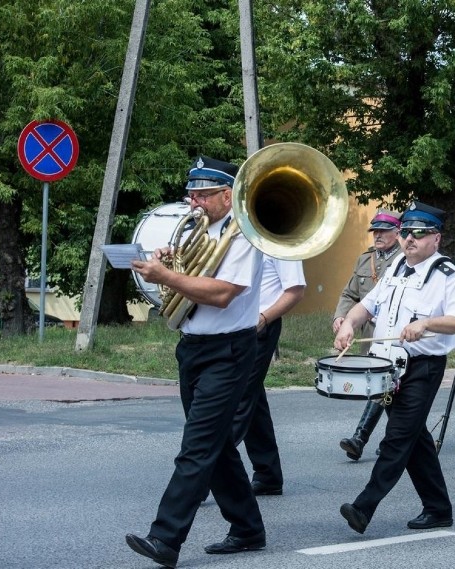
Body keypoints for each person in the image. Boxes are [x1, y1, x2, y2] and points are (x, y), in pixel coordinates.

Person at [127, 156, 266, 567]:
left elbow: (222, 293)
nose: (195, 202)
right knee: (217, 445)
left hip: (229, 350)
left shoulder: (245, 236)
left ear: (228, 194)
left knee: (197, 447)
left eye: (203, 194)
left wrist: (166, 276)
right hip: (193, 347)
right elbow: (190, 283)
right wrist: (173, 262)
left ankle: (165, 538)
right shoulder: (203, 231)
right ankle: (247, 529)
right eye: (192, 194)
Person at [336, 202, 455, 534]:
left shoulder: (445, 273)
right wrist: (349, 325)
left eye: (419, 234)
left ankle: (363, 507)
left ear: (436, 239)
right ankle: (438, 508)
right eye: (406, 232)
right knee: (414, 438)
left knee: (396, 439)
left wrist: (426, 323)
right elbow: (367, 305)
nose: (409, 239)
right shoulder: (396, 265)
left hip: (421, 369)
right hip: (387, 369)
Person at [333, 210, 402, 461]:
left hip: (394, 337)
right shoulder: (365, 260)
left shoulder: (406, 260)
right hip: (369, 336)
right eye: (375, 231)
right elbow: (350, 294)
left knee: (384, 386)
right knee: (389, 391)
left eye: (384, 230)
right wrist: (341, 318)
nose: (378, 235)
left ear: (398, 232)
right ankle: (402, 438)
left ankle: (359, 437)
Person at [235, 255, 305, 496]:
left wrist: (264, 318)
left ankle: (202, 476)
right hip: (232, 326)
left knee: (235, 401)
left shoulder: (279, 240)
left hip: (259, 325)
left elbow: (295, 290)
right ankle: (268, 474)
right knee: (252, 400)